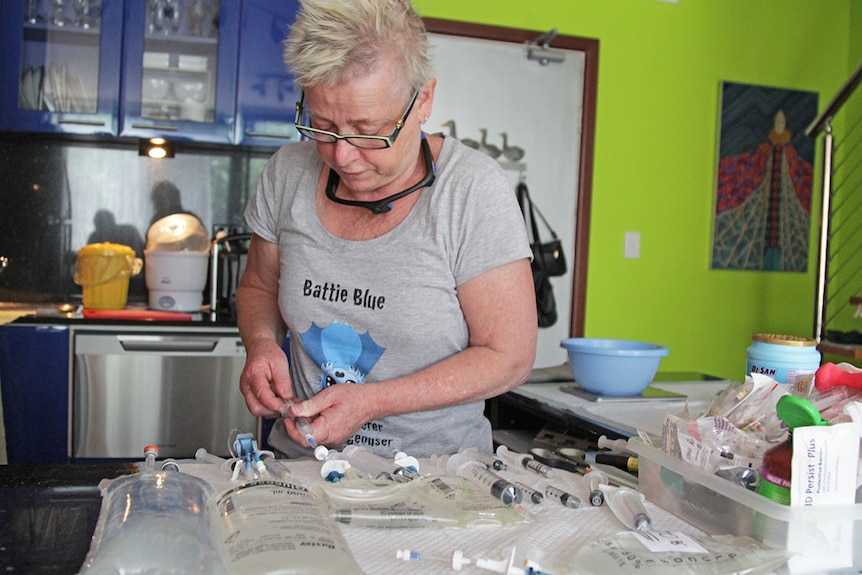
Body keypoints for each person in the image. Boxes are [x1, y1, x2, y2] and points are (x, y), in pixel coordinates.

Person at [237, 0, 537, 458]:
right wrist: (261, 345)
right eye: (323, 126)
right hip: (300, 472)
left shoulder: (472, 191)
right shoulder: (287, 174)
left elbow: (509, 357)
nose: (342, 156)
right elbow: (259, 285)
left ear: (423, 101)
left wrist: (373, 402)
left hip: (436, 482)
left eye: (367, 130)